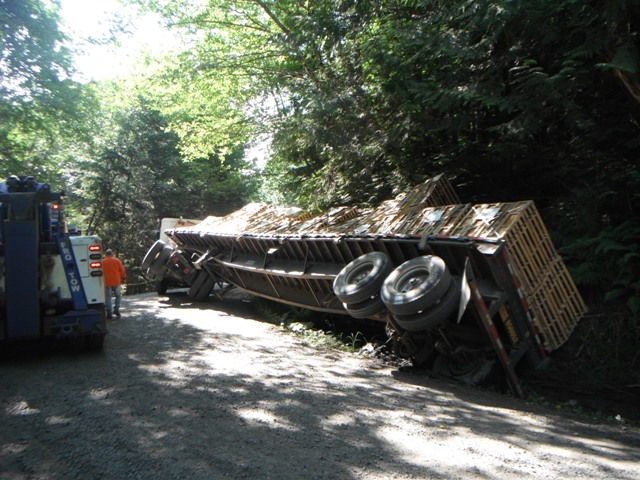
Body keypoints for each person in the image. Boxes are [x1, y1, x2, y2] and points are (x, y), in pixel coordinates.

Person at [103, 248, 127, 319]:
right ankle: (116, 310)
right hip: (116, 281)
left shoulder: (103, 261)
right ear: (112, 254)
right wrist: (124, 278)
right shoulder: (117, 260)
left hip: (107, 282)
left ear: (106, 254)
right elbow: (122, 270)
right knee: (118, 296)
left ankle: (109, 313)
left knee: (108, 298)